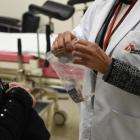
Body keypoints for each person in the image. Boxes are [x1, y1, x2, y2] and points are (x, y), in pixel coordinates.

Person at [52, 0, 140, 140]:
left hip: (130, 129)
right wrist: (65, 44)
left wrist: (109, 68)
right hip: (92, 123)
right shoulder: (101, 5)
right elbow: (79, 37)